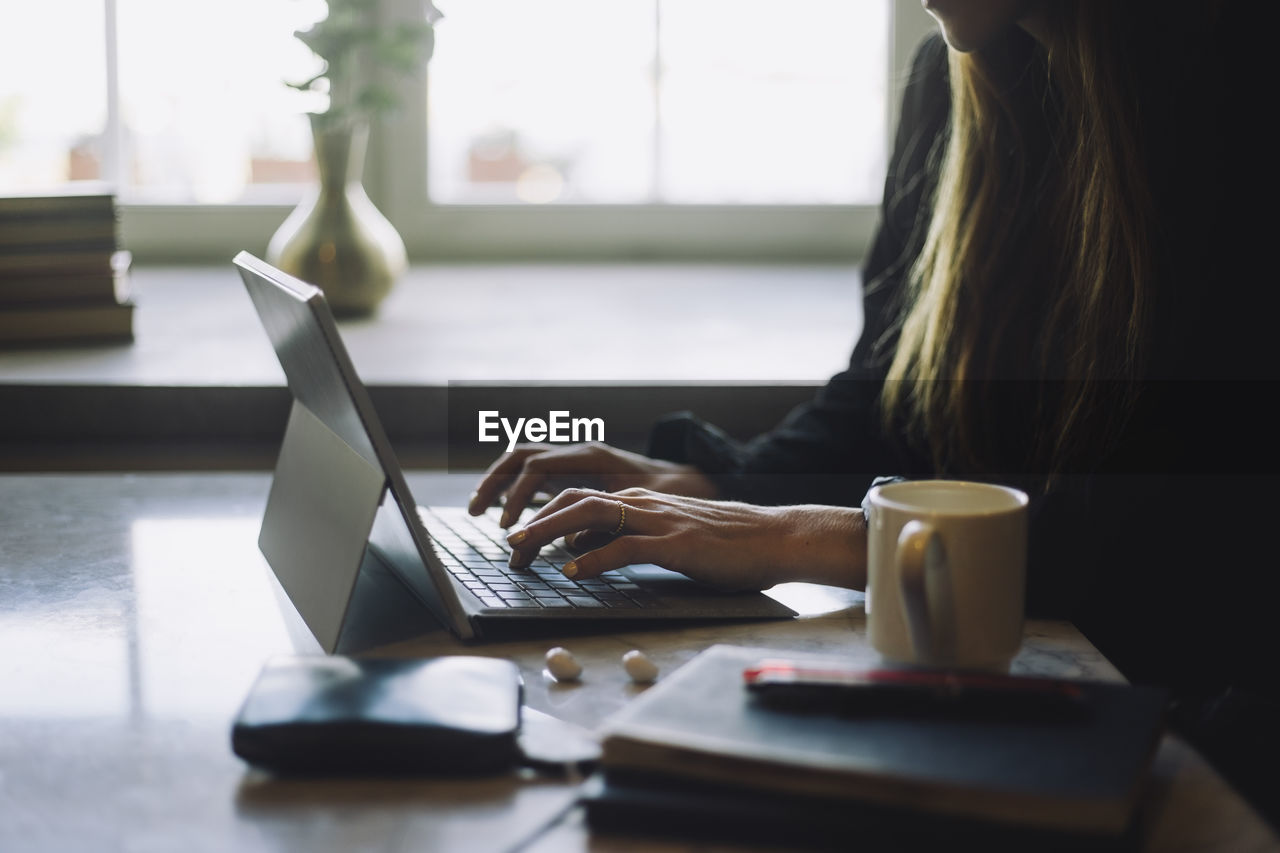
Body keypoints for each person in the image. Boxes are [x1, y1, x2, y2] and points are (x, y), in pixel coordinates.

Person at [471, 0, 1278, 826]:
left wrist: (798, 534)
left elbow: (1173, 534)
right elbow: (893, 387)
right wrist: (723, 480)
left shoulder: (1241, 86)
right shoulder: (957, 75)